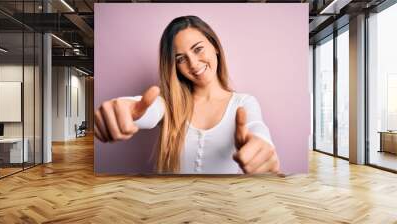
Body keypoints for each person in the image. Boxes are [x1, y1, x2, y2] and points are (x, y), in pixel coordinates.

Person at [94, 15, 280, 174]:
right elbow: (144, 110)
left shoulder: (244, 102)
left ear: (214, 45)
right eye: (180, 58)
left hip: (224, 208)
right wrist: (123, 109)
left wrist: (262, 145)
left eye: (198, 49)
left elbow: (257, 128)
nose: (193, 64)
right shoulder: (168, 104)